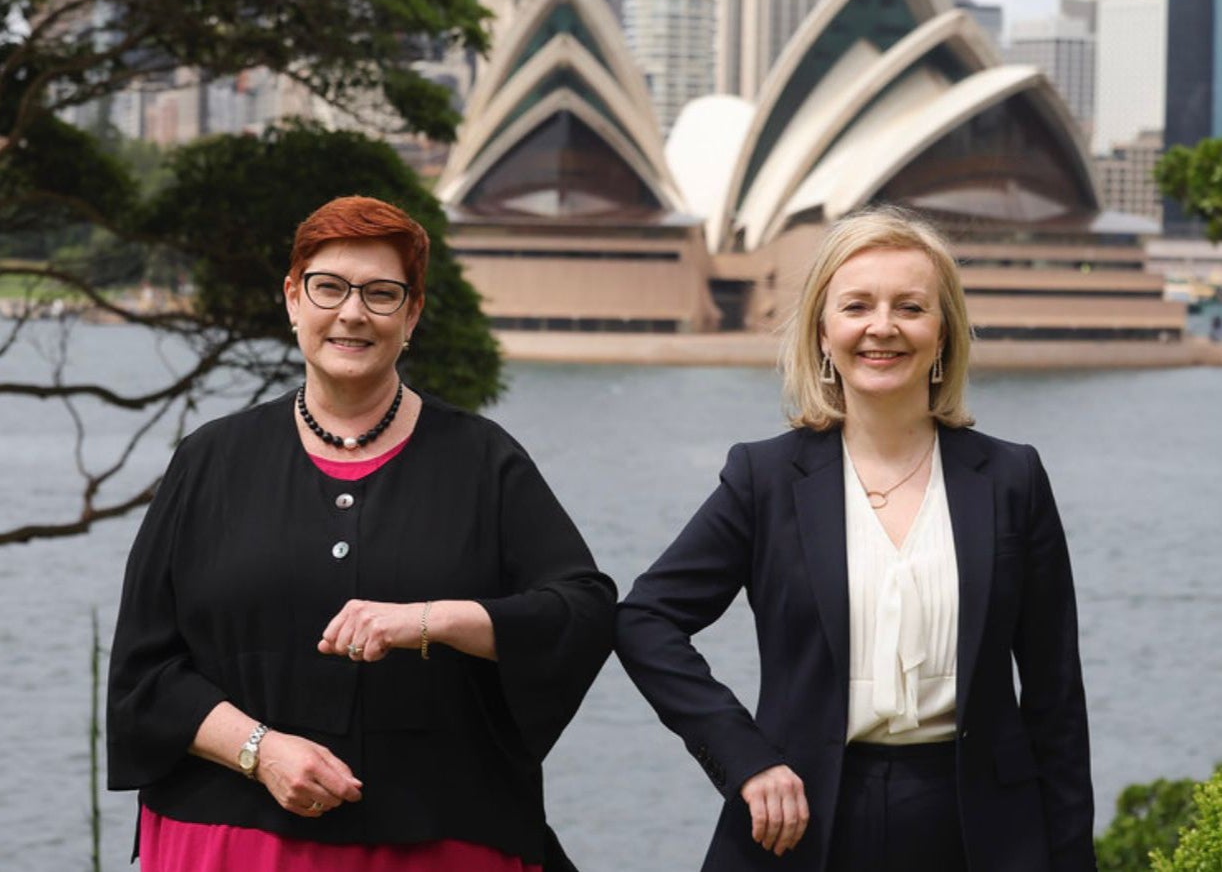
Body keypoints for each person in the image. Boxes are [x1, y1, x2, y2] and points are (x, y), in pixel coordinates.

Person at [108, 195, 616, 872]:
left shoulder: (483, 461)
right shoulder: (211, 461)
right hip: (228, 843)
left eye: (381, 294)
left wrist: (432, 621)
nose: (352, 312)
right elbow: (145, 673)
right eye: (328, 288)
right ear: (293, 299)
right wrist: (261, 751)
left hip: (439, 841)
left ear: (412, 315)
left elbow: (582, 611)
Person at [616, 206, 1095, 872]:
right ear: (822, 330)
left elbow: (1056, 702)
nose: (882, 327)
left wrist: (1071, 859)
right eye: (857, 306)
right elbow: (646, 620)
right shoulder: (765, 478)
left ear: (944, 332)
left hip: (981, 829)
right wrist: (747, 760)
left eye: (910, 307)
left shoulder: (1013, 478)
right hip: (803, 822)